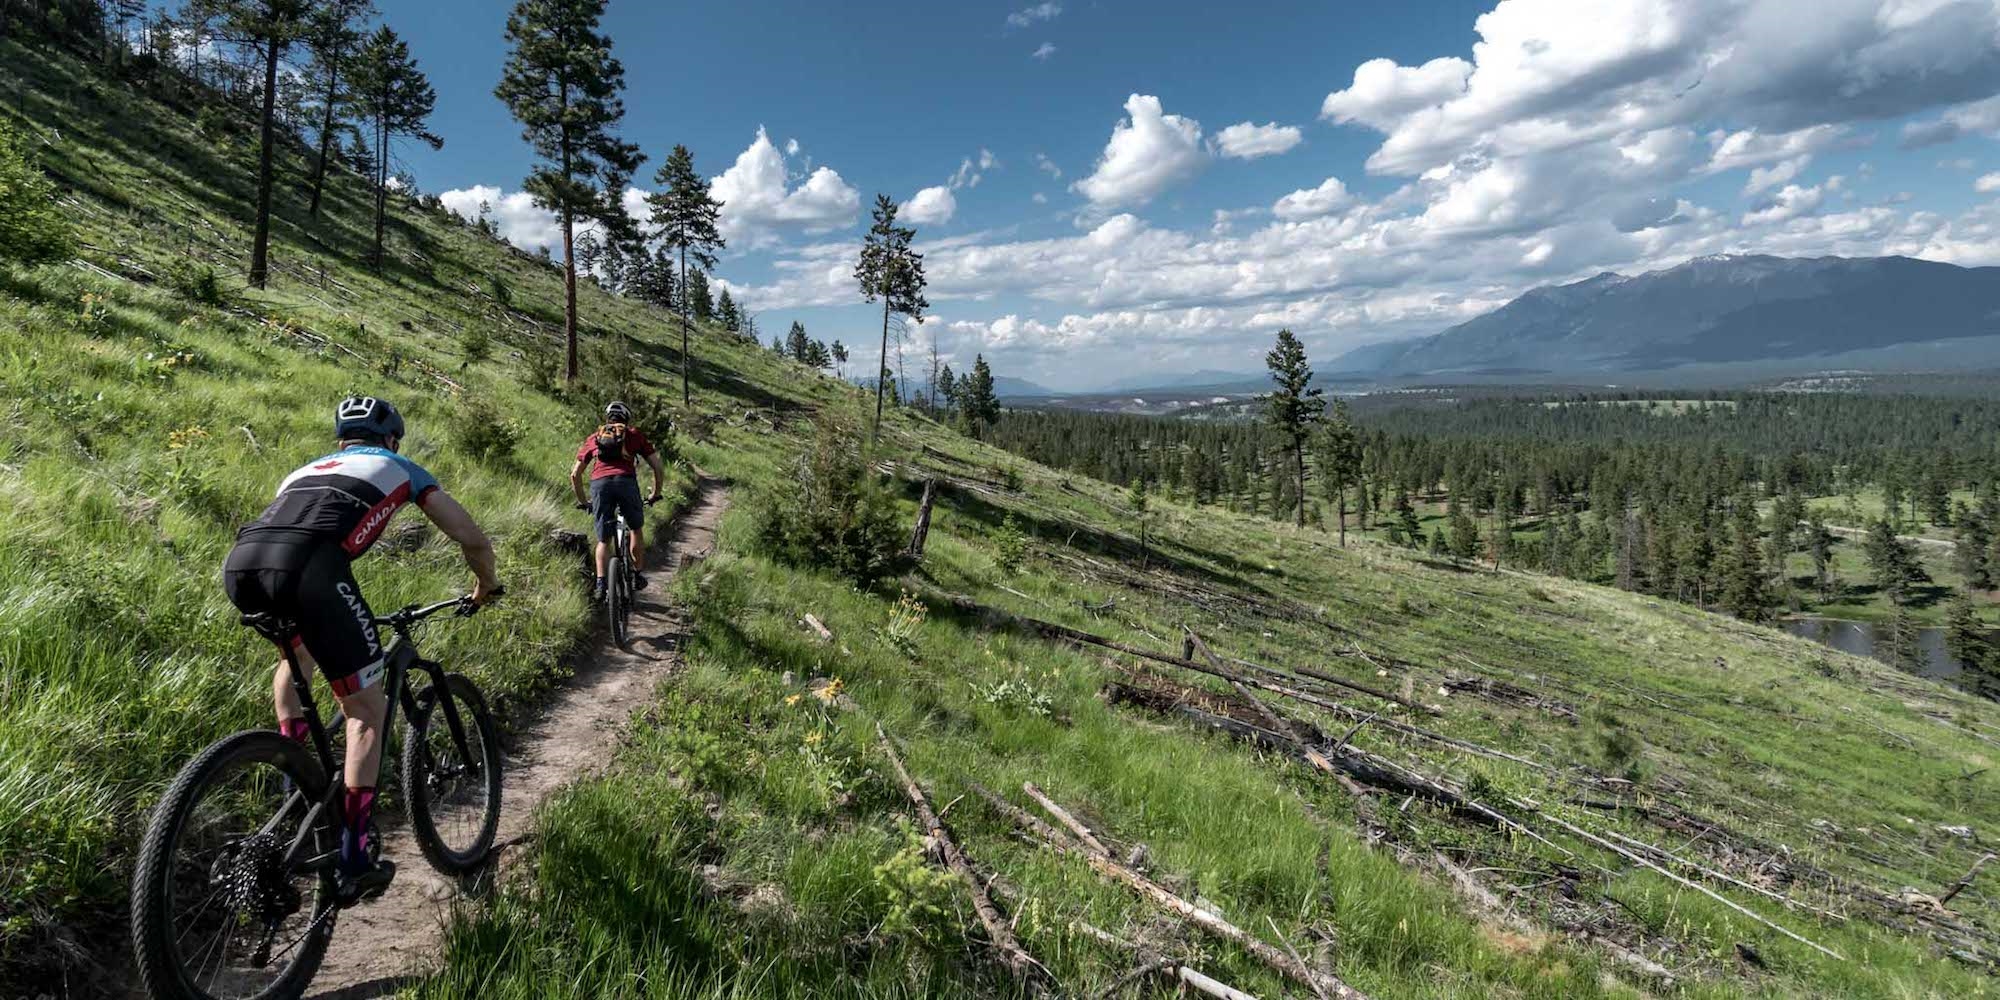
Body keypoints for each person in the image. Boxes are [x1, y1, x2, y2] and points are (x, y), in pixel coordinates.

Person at [222, 396, 501, 901]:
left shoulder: (303, 470)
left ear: (340, 441)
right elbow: (472, 537)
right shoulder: (401, 466)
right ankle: (354, 853)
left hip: (243, 563)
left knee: (297, 655)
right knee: (367, 709)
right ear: (391, 439)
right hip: (312, 569)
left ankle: (296, 772)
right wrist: (485, 587)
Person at [570, 401, 665, 601]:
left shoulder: (595, 437)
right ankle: (637, 575)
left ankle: (601, 584)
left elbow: (575, 474)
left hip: (600, 485)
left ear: (608, 419)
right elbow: (658, 466)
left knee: (604, 540)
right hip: (626, 483)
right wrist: (655, 493)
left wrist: (583, 501)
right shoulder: (633, 435)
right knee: (636, 529)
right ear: (626, 418)